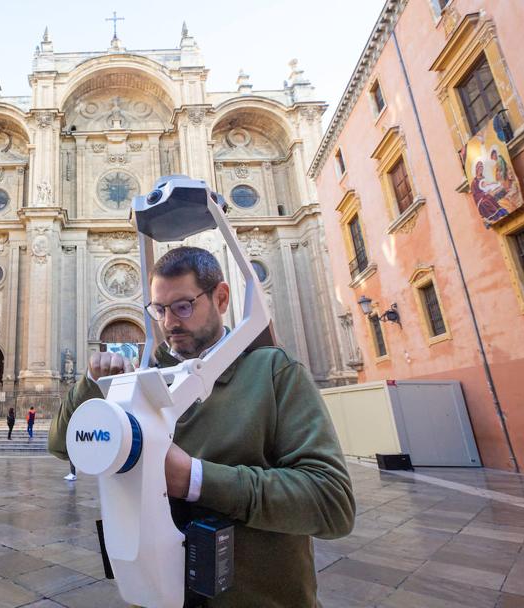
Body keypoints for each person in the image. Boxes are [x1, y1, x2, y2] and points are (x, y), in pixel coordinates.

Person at [48, 246, 355, 607]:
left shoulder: (272, 372)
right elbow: (63, 446)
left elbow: (332, 502)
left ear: (221, 297)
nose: (169, 323)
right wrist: (90, 383)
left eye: (183, 306)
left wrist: (195, 479)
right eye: (159, 310)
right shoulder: (144, 376)